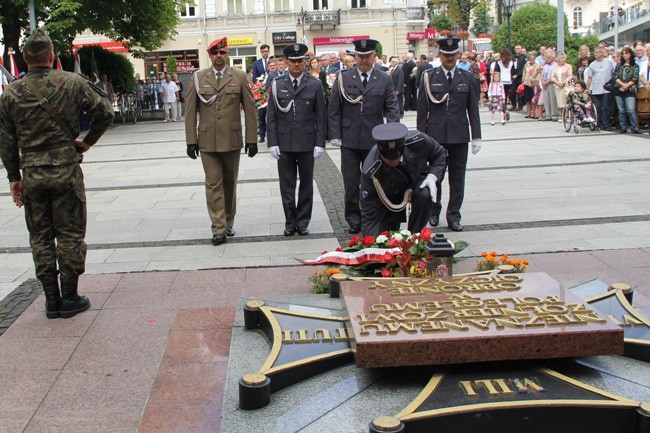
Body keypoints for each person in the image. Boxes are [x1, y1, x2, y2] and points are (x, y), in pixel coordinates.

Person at [0, 28, 114, 319]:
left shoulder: (10, 93)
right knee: (70, 233)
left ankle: (51, 299)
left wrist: (15, 178)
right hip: (65, 172)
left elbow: (6, 140)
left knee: (40, 236)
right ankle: (70, 296)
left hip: (33, 175)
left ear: (25, 59)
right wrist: (87, 142)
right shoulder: (72, 82)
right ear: (51, 56)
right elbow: (105, 112)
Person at [184, 37, 258, 246]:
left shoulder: (240, 76)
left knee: (229, 183)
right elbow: (190, 112)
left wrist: (252, 139)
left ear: (227, 54)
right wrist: (191, 140)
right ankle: (218, 229)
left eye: (223, 52)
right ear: (209, 55)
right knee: (213, 183)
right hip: (207, 141)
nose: (219, 56)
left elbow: (250, 109)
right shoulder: (199, 78)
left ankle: (228, 220)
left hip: (231, 139)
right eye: (215, 53)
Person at [328, 38, 400, 234]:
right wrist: (334, 134)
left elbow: (392, 109)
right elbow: (334, 108)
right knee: (351, 183)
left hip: (374, 140)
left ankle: (374, 215)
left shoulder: (384, 79)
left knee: (375, 180)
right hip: (349, 139)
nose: (364, 60)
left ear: (374, 56)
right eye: (360, 56)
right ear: (355, 57)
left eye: (367, 56)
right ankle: (353, 218)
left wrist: (392, 137)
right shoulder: (344, 77)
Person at [417, 36, 482, 232]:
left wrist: (476, 136)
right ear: (440, 55)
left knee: (458, 178)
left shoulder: (467, 78)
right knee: (436, 177)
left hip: (459, 135)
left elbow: (473, 109)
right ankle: (434, 211)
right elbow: (422, 110)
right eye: (446, 55)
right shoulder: (429, 76)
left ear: (458, 55)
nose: (449, 58)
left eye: (453, 54)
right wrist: (421, 137)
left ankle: (454, 215)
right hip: (435, 137)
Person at [266, 43, 327, 237]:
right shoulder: (277, 84)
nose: (296, 65)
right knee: (287, 186)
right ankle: (290, 222)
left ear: (305, 62)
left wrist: (320, 143)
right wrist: (272, 142)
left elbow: (320, 117)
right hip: (284, 143)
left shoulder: (315, 84)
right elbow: (271, 116)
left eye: (300, 61)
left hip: (307, 142)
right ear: (285, 62)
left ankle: (303, 222)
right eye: (292, 61)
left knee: (306, 184)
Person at [360, 123, 447, 236]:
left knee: (424, 195)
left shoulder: (417, 140)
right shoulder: (370, 170)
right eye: (388, 160)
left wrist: (432, 176)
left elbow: (440, 153)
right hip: (390, 196)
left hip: (417, 181)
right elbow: (369, 212)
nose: (393, 162)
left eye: (396, 158)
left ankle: (415, 237)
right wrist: (370, 243)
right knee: (385, 237)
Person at [585, 46, 617, 131]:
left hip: (606, 89)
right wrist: (587, 89)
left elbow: (616, 70)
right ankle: (598, 123)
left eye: (598, 52)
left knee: (605, 107)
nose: (596, 54)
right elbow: (589, 77)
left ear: (603, 53)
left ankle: (606, 124)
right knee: (597, 108)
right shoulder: (592, 64)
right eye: (595, 52)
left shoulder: (609, 61)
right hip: (596, 89)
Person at [613, 46, 641, 134]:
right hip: (619, 89)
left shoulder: (635, 66)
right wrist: (622, 84)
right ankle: (623, 127)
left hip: (630, 89)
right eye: (623, 54)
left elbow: (635, 77)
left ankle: (635, 127)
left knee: (631, 109)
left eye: (626, 53)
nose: (624, 55)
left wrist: (626, 85)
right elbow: (615, 76)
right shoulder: (619, 65)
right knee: (621, 110)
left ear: (630, 54)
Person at [551, 52, 573, 122]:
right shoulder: (555, 67)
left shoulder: (568, 66)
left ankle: (569, 116)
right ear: (557, 59)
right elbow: (552, 77)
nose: (562, 60)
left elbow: (570, 75)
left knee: (567, 101)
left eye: (564, 58)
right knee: (560, 102)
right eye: (561, 58)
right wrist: (557, 83)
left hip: (566, 86)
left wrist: (563, 82)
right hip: (557, 86)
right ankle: (562, 116)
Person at [540, 50, 559, 121]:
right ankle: (548, 115)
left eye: (548, 57)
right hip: (545, 83)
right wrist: (542, 81)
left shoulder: (555, 65)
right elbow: (542, 74)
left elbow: (554, 75)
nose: (546, 59)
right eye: (546, 57)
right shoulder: (545, 66)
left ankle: (554, 115)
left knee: (552, 99)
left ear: (553, 57)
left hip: (551, 83)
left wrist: (547, 82)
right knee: (546, 99)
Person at [523, 52, 541, 118]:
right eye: (530, 59)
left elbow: (538, 74)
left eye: (533, 59)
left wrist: (534, 82)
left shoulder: (537, 66)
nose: (531, 60)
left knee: (533, 99)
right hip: (527, 83)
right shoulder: (526, 65)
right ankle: (528, 113)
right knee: (527, 99)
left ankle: (534, 113)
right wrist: (523, 81)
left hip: (534, 84)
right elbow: (524, 74)